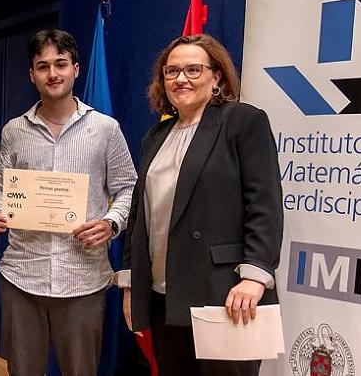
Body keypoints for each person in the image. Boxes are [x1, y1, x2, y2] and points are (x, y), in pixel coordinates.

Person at [0, 29, 137, 376]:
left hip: (83, 278)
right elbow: (0, 184)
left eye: (61, 64)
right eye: (43, 66)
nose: (53, 73)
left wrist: (111, 223)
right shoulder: (14, 130)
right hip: (22, 276)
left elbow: (128, 188)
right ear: (32, 74)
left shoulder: (106, 129)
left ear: (76, 69)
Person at [120, 34, 283, 376]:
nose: (181, 79)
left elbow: (264, 204)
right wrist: (131, 283)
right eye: (171, 71)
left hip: (224, 291)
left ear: (217, 76)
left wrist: (255, 276)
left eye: (194, 70)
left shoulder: (243, 121)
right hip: (164, 295)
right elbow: (139, 217)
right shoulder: (156, 136)